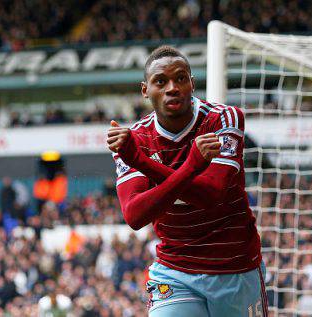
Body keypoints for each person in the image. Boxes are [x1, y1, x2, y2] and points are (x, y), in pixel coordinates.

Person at [107, 45, 267, 316]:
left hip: (235, 266)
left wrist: (144, 162)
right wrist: (190, 166)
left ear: (192, 84)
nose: (172, 87)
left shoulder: (223, 119)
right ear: (145, 90)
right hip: (175, 271)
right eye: (161, 81)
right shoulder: (135, 138)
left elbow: (211, 195)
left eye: (180, 78)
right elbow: (134, 215)